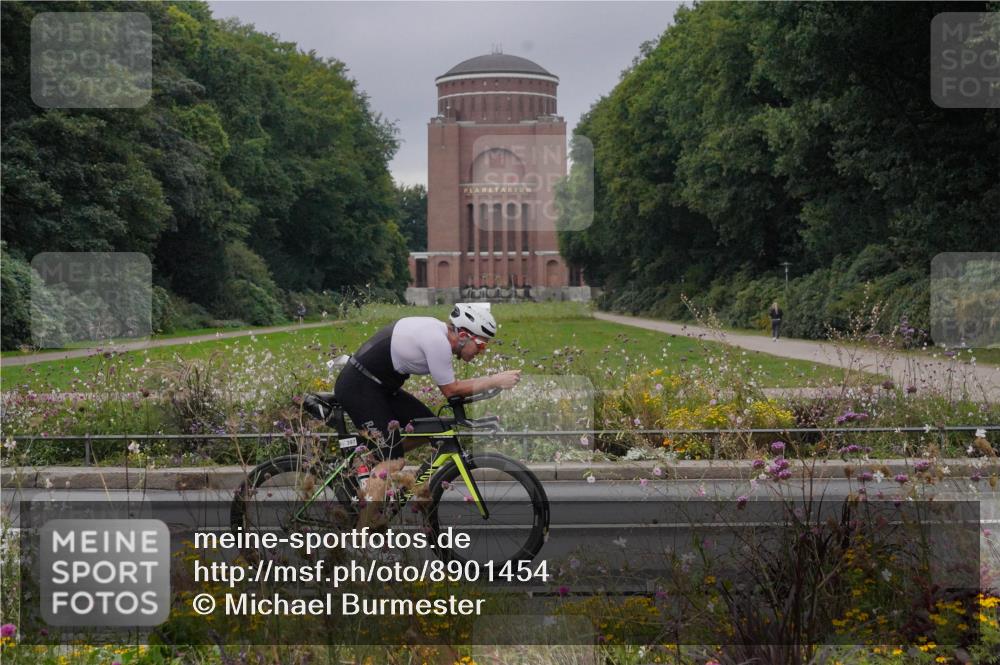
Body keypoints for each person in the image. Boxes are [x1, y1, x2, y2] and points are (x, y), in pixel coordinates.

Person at [333, 304, 521, 522]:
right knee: (393, 460)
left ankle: (374, 458)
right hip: (360, 386)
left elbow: (454, 392)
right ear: (462, 335)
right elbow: (451, 390)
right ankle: (363, 535)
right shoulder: (437, 341)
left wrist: (491, 384)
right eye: (480, 346)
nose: (481, 352)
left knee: (430, 427)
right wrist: (495, 379)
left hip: (381, 386)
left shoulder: (438, 335)